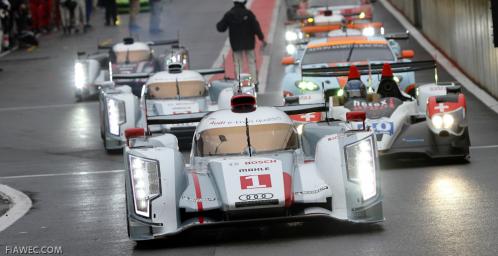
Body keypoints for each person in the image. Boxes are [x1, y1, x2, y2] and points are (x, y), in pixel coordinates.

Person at [216, 0, 266, 88]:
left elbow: (221, 27)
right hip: (249, 43)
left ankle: (239, 84)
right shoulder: (249, 14)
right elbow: (256, 27)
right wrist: (261, 38)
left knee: (238, 64)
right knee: (251, 63)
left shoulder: (229, 15)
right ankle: (254, 83)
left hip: (236, 44)